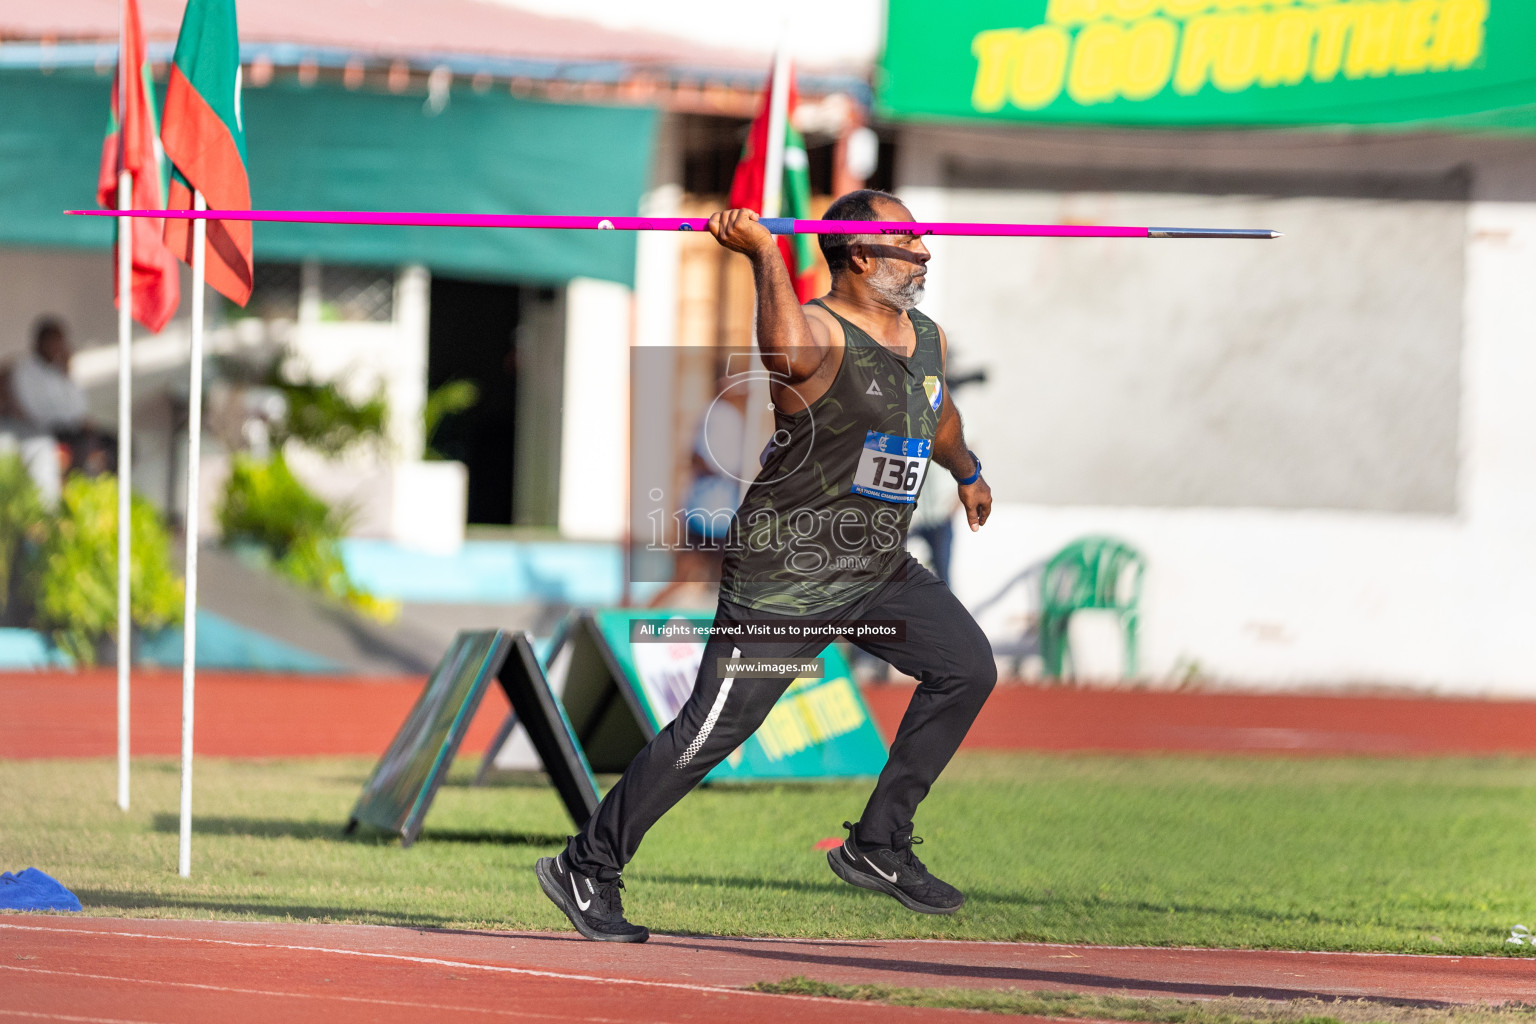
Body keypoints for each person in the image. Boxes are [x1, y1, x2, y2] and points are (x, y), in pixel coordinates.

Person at [536, 189, 995, 942]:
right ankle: (586, 865)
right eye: (910, 240)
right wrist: (760, 253)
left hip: (878, 568)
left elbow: (938, 415)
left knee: (968, 668)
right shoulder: (817, 329)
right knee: (709, 734)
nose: (926, 252)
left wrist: (967, 470)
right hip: (789, 572)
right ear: (861, 254)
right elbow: (781, 357)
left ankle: (877, 843)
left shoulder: (926, 335)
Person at [11, 317, 114, 475]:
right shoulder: (26, 370)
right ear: (40, 341)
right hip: (44, 429)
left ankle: (107, 492)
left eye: (60, 342)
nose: (58, 347)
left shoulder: (58, 370)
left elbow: (80, 407)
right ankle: (73, 489)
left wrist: (67, 374)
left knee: (114, 444)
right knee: (85, 445)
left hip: (71, 427)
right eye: (53, 342)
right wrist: (74, 421)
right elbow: (37, 410)